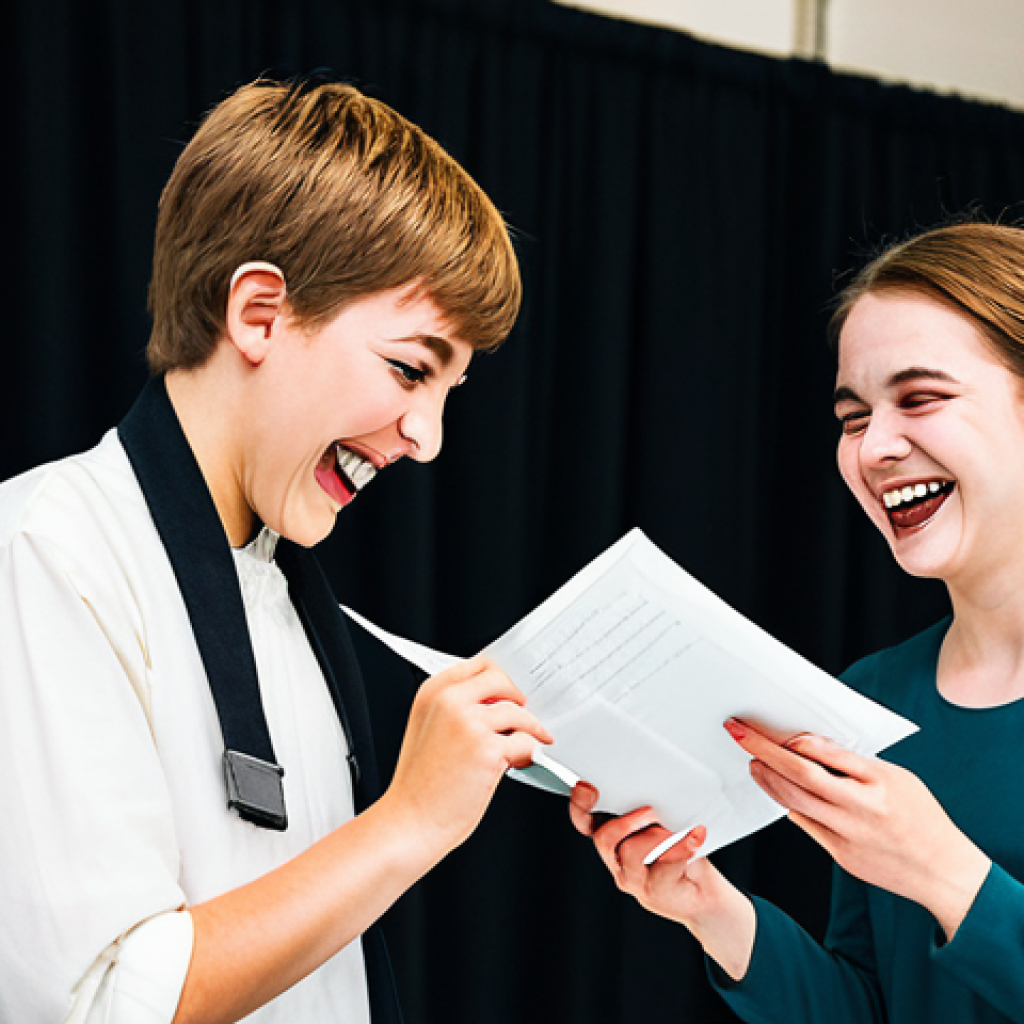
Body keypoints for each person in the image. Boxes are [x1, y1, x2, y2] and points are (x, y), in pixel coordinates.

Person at [0, 77, 552, 1023]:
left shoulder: (284, 587)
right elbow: (101, 1002)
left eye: (448, 392)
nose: (428, 437)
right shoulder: (47, 549)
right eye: (411, 369)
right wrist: (410, 822)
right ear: (258, 313)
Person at [569, 220, 1024, 1023]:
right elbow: (867, 1007)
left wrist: (947, 875)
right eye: (853, 417)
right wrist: (710, 907)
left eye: (920, 398)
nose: (875, 447)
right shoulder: (875, 695)